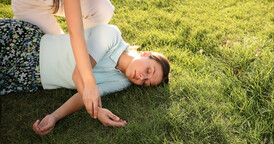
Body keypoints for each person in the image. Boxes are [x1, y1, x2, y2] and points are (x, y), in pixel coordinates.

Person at [0, 18, 170, 135]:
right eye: (148, 70)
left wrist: (54, 116)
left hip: (29, 77)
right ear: (146, 54)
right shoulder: (112, 36)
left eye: (145, 83)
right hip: (26, 47)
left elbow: (84, 95)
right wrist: (97, 110)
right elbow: (79, 74)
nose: (141, 78)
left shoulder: (122, 81)